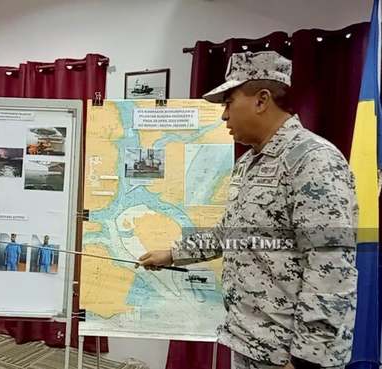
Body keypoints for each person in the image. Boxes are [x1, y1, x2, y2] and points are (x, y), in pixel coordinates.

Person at [138, 51, 357, 369]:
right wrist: (172, 254)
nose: (224, 115)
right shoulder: (248, 163)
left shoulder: (314, 160)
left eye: (229, 102)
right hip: (250, 341)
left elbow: (331, 265)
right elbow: (230, 232)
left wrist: (306, 359)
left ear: (261, 100)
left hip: (291, 356)